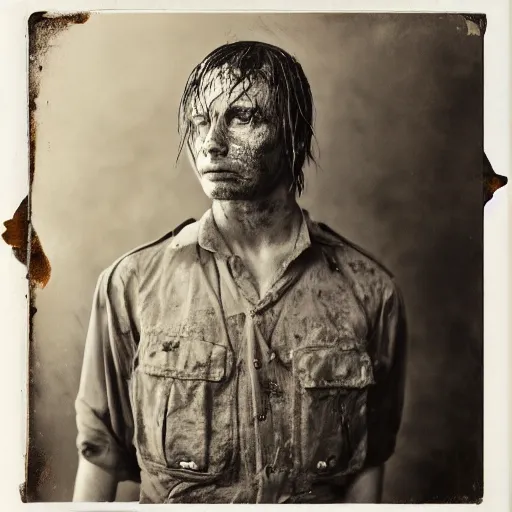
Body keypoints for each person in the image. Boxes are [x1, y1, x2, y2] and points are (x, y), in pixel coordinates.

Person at [73, 40, 407, 504]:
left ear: (292, 130)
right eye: (199, 121)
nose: (211, 143)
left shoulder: (370, 291)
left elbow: (365, 472)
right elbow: (100, 455)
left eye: (242, 116)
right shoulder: (131, 284)